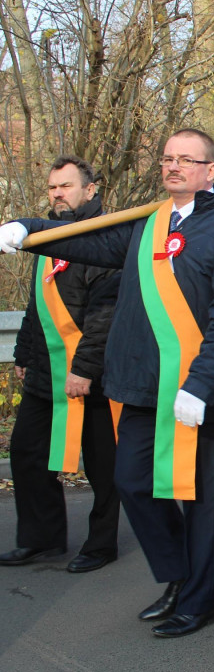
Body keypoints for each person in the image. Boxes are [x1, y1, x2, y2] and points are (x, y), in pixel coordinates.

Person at [0, 129, 214, 637]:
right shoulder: (149, 222)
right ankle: (178, 576)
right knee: (132, 483)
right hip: (142, 384)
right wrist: (29, 229)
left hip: (193, 388)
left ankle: (199, 600)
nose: (174, 167)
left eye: (186, 160)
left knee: (197, 499)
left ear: (211, 170)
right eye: (168, 158)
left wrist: (202, 384)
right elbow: (89, 240)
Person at [0, 156, 121, 573]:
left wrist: (84, 368)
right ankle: (41, 539)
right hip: (46, 373)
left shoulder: (105, 239)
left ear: (90, 190)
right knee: (27, 453)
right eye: (52, 187)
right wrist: (23, 353)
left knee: (103, 466)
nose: (57, 194)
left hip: (95, 377)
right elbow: (38, 304)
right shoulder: (47, 238)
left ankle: (101, 544)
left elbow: (105, 314)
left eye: (66, 186)